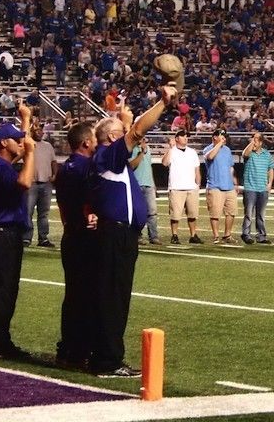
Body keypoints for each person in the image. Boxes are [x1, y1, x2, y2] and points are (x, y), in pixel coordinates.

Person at [88, 85, 177, 378]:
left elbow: (131, 132)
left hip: (119, 235)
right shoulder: (107, 156)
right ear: (113, 138)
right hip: (115, 235)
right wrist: (163, 103)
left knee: (114, 297)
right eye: (119, 131)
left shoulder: (111, 158)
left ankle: (105, 356)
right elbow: (136, 131)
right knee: (113, 298)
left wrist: (121, 118)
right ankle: (108, 360)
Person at [0, 104, 35, 358]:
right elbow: (25, 182)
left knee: (0, 288)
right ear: (4, 142)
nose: (22, 143)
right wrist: (32, 153)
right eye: (15, 139)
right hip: (4, 234)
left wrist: (26, 120)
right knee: (5, 288)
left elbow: (18, 150)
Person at [54, 120, 98, 370]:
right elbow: (89, 200)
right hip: (84, 235)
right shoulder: (86, 167)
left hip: (70, 233)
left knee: (72, 295)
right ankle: (79, 350)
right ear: (86, 143)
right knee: (85, 295)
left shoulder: (64, 168)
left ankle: (67, 346)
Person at [162, 129, 201, 244]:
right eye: (183, 136)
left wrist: (198, 183)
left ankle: (193, 235)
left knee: (193, 214)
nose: (186, 138)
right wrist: (170, 148)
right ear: (177, 138)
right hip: (176, 187)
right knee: (175, 215)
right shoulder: (172, 151)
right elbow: (164, 163)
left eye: (186, 136)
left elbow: (197, 168)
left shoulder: (192, 152)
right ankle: (174, 235)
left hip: (191, 187)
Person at [203, 128, 238, 244]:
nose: (224, 138)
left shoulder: (227, 150)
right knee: (215, 213)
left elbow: (230, 167)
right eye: (222, 136)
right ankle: (216, 236)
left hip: (229, 186)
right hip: (215, 186)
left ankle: (227, 234)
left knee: (231, 212)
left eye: (225, 136)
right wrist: (218, 145)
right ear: (215, 137)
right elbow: (210, 157)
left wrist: (234, 181)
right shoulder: (207, 149)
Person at [25, 121, 57, 248]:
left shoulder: (48, 146)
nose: (40, 132)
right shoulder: (28, 145)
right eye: (37, 130)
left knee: (44, 213)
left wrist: (54, 175)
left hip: (46, 183)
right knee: (28, 212)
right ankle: (26, 238)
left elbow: (54, 162)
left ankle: (43, 238)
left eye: (41, 130)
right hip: (32, 183)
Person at [241, 132, 274, 244]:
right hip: (250, 187)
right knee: (249, 213)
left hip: (262, 188)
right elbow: (245, 154)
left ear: (261, 142)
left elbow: (270, 169)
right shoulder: (249, 152)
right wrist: (252, 143)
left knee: (261, 214)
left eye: (256, 139)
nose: (254, 140)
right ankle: (246, 234)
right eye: (253, 138)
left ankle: (261, 236)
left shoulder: (267, 154)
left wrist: (270, 183)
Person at [128, 139, 160, 245]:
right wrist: (141, 153)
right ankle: (137, 236)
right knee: (137, 212)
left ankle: (154, 236)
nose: (143, 140)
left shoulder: (148, 149)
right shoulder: (131, 149)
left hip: (148, 184)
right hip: (136, 184)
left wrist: (153, 183)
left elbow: (149, 167)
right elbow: (132, 165)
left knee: (152, 212)